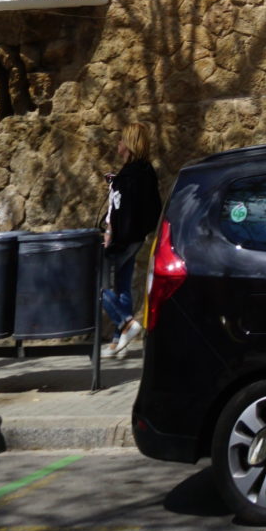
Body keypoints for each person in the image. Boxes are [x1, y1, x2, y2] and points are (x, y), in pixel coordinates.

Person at [101, 122, 162, 359]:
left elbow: (121, 212)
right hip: (136, 238)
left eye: (121, 140)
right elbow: (153, 207)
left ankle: (126, 323)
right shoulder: (146, 172)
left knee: (99, 286)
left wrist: (114, 238)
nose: (118, 144)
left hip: (123, 240)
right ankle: (119, 341)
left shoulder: (129, 176)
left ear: (128, 144)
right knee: (123, 285)